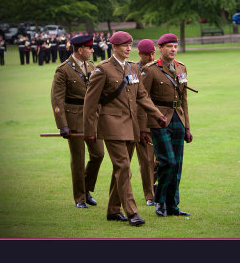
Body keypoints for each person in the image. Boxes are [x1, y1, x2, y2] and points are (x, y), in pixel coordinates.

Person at [83, 31, 167, 226]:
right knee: (124, 167)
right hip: (111, 125)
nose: (129, 48)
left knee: (119, 170)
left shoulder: (133, 68)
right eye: (124, 45)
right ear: (114, 47)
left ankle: (113, 210)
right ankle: (132, 212)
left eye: (130, 45)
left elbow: (143, 96)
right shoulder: (102, 69)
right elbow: (90, 102)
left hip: (131, 126)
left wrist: (157, 115)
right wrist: (89, 131)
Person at [139, 33, 193, 217]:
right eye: (169, 46)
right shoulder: (150, 69)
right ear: (159, 49)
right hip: (159, 120)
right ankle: (160, 201)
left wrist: (187, 127)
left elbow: (184, 99)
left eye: (175, 46)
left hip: (178, 119)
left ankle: (172, 205)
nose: (173, 50)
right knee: (167, 161)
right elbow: (142, 98)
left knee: (177, 164)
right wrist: (143, 128)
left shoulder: (181, 68)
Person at [51, 35, 105, 208]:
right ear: (80, 50)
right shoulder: (63, 70)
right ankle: (80, 198)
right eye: (90, 48)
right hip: (73, 118)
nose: (92, 50)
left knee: (98, 154)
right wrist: (63, 125)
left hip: (92, 117)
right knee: (78, 159)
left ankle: (86, 188)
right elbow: (57, 99)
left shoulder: (91, 66)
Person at [135, 39, 158, 206]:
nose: (151, 57)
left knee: (161, 159)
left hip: (160, 120)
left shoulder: (158, 68)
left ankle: (154, 185)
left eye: (152, 53)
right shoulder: (134, 70)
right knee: (146, 161)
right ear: (139, 54)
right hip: (142, 122)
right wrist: (142, 128)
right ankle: (149, 195)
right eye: (147, 54)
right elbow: (139, 101)